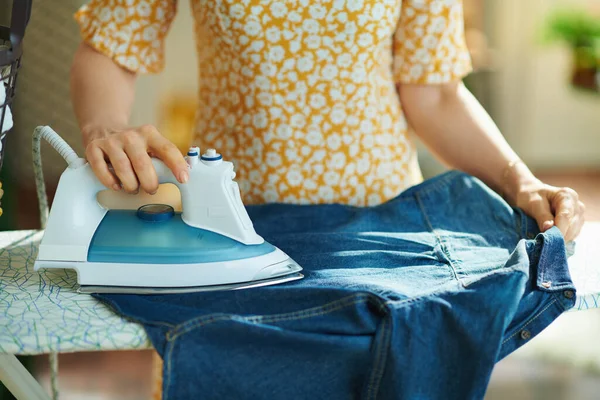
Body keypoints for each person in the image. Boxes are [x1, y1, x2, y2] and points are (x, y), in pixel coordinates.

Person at [69, 0, 584, 397]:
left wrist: (520, 181)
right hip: (235, 234)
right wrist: (105, 127)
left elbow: (434, 92)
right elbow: (113, 44)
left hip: (382, 242)